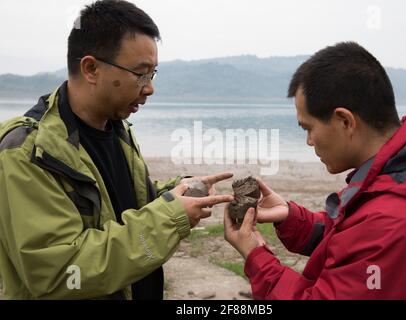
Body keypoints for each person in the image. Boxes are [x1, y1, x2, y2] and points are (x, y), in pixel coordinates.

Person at [0, 0, 233, 300]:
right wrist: (169, 217)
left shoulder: (118, 131)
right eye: (141, 73)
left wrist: (178, 191)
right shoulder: (27, 151)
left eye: (153, 74)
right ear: (91, 68)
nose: (149, 88)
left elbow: (118, 209)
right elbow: (61, 273)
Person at [224, 42, 406, 299]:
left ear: (345, 121)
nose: (309, 141)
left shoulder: (391, 225)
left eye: (308, 128)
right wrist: (291, 218)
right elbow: (354, 240)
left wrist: (255, 256)